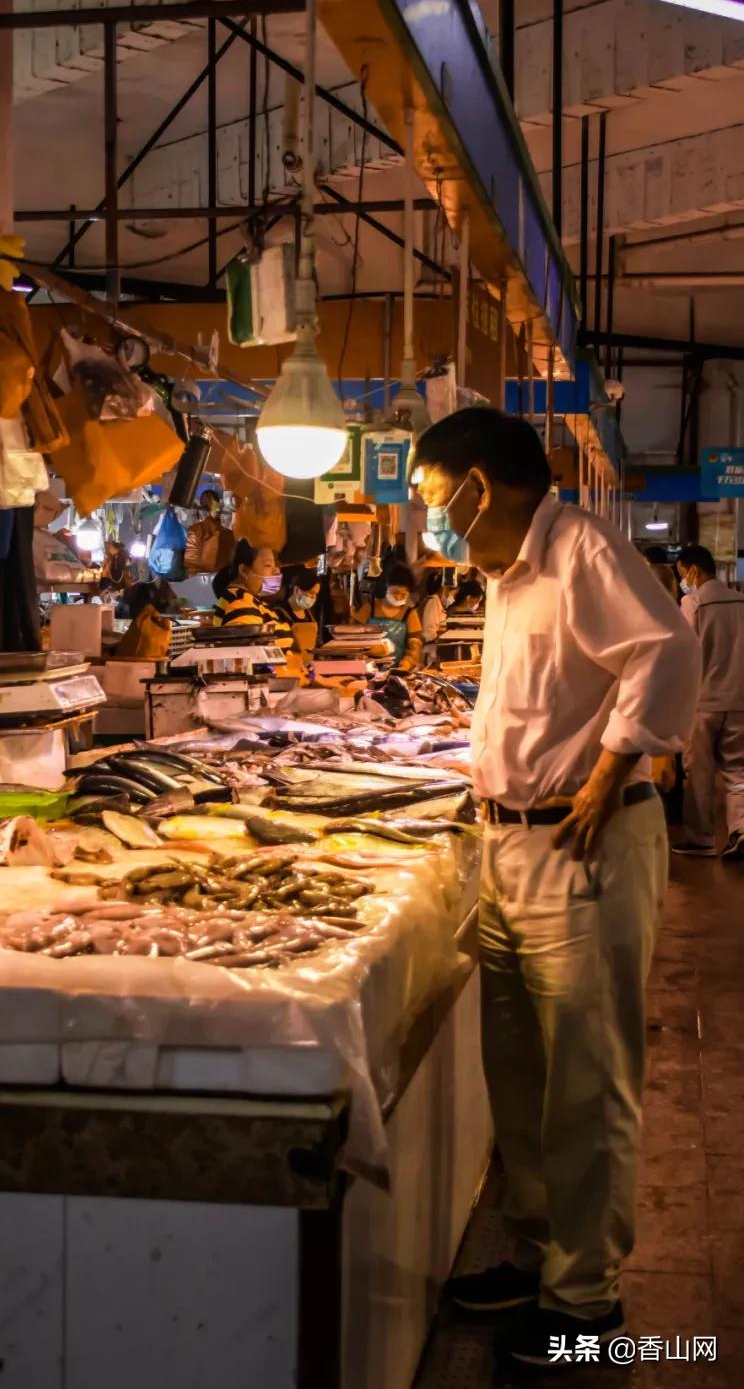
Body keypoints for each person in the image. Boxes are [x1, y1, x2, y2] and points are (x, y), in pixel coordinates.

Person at [409, 408, 700, 1372]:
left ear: (478, 487)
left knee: (585, 1081)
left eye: (429, 494)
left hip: (582, 849)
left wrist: (607, 776)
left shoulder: (578, 547)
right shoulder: (504, 577)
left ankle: (586, 1306)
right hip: (506, 847)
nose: (429, 516)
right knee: (520, 1075)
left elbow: (665, 652)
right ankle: (538, 1255)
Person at [672, 543, 744, 860]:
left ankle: (701, 838)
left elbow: (683, 654)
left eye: (682, 574)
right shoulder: (742, 601)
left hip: (703, 701)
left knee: (698, 771)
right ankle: (741, 830)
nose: (682, 581)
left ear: (695, 571)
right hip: (740, 698)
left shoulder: (693, 604)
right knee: (739, 771)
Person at [212, 541, 293, 663]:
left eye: (276, 566)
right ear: (244, 570)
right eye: (268, 565)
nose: (276, 571)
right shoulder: (239, 600)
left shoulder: (252, 600)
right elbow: (252, 656)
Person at [353, 562, 423, 670]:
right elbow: (353, 638)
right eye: (395, 592)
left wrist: (408, 663)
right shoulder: (369, 608)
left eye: (404, 595)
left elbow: (415, 646)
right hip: (367, 668)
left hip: (397, 670)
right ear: (387, 586)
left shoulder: (410, 614)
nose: (399, 597)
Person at [418, 568, 447, 644]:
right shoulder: (432, 602)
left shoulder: (435, 600)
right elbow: (428, 633)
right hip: (429, 646)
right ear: (443, 588)